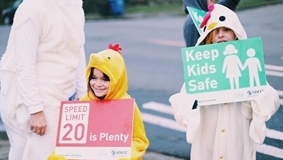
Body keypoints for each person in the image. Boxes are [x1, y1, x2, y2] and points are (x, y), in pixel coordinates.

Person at [170, 4, 280, 160]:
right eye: (216, 32)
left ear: (236, 34)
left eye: (226, 30)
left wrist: (259, 94)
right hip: (207, 148)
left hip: (236, 148)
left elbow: (270, 102)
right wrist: (192, 103)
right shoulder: (201, 71)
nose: (221, 35)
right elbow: (181, 111)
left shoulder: (249, 71)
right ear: (209, 37)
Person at [0, 0, 87, 159]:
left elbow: (78, 51)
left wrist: (85, 97)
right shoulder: (31, 9)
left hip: (66, 96)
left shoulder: (74, 6)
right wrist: (35, 110)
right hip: (37, 99)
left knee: (68, 154)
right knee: (38, 154)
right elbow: (24, 64)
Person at [47, 44, 149, 160]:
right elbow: (68, 142)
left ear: (117, 79)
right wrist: (60, 156)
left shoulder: (126, 105)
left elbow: (139, 140)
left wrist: (126, 156)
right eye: (94, 78)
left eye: (105, 79)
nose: (98, 84)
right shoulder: (83, 102)